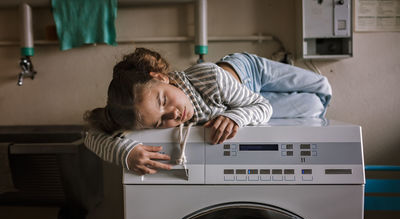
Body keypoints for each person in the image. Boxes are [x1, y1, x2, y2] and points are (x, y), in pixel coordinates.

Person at [84, 48, 331, 175]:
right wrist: (125, 153)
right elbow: (91, 136)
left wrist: (235, 116)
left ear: (161, 77)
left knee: (321, 87)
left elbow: (261, 107)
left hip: (248, 73)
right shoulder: (140, 115)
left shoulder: (209, 77)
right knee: (315, 109)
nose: (172, 115)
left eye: (163, 101)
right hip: (235, 101)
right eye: (160, 123)